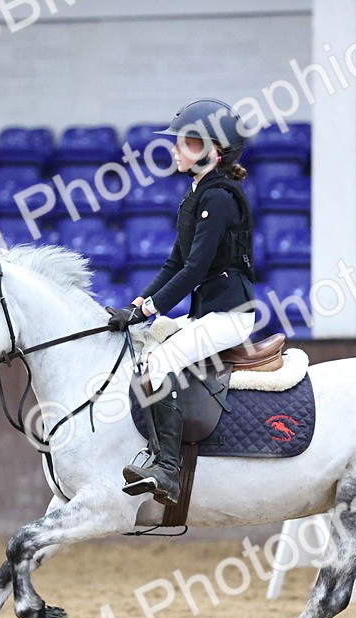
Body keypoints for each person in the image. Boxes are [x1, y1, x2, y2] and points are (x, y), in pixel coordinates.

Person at [105, 98, 258, 506]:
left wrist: (151, 309)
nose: (176, 149)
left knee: (160, 362)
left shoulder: (221, 197)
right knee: (147, 353)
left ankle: (167, 469)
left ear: (215, 150)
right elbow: (175, 262)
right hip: (207, 311)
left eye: (188, 142)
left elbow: (193, 270)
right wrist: (138, 306)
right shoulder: (196, 194)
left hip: (230, 313)